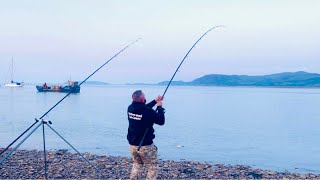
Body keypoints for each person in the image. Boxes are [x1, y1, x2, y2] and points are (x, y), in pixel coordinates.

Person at [127, 90, 165, 180]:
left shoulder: (130, 108)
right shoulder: (148, 112)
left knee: (137, 163)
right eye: (144, 96)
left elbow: (144, 109)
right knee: (152, 166)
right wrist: (159, 107)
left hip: (133, 145)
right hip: (146, 146)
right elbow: (161, 121)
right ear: (143, 99)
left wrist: (155, 101)